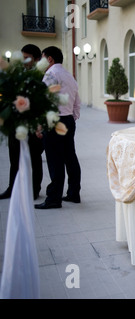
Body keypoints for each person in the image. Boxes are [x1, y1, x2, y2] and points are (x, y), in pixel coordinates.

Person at [34, 46, 82, 209]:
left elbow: (45, 101)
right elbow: (77, 102)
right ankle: (74, 193)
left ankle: (54, 199)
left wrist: (40, 125)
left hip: (54, 121)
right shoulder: (70, 76)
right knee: (70, 157)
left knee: (55, 161)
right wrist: (71, 118)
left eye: (42, 58)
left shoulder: (50, 74)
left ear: (49, 59)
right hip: (68, 120)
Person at [0, 44, 44, 201]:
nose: (25, 61)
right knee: (14, 159)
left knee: (35, 159)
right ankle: (12, 188)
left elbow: (42, 102)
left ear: (37, 59)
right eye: (23, 57)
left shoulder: (41, 77)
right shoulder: (16, 75)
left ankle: (34, 190)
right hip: (16, 124)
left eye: (28, 58)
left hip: (32, 125)